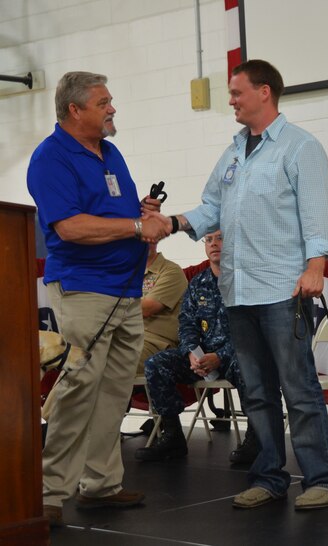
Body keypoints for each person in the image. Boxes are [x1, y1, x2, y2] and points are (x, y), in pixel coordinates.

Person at [146, 59, 328, 511]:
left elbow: (318, 214)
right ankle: (269, 476)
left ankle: (323, 479)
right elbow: (212, 205)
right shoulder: (235, 150)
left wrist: (317, 266)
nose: (231, 101)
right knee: (255, 391)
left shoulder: (299, 147)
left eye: (237, 93)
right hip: (239, 291)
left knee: (299, 388)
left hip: (282, 289)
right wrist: (171, 222)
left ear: (265, 93)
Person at [27, 71, 169, 527]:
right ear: (75, 110)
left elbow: (118, 215)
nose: (113, 109)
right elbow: (68, 227)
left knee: (112, 392)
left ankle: (101, 484)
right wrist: (133, 227)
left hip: (126, 290)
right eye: (104, 102)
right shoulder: (51, 158)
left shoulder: (111, 153)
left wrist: (140, 212)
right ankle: (49, 493)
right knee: (78, 390)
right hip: (85, 290)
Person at [134, 230, 260, 464]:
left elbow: (254, 331)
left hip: (237, 355)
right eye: (209, 240)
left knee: (249, 366)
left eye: (221, 238)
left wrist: (220, 356)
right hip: (202, 358)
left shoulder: (249, 281)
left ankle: (256, 438)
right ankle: (172, 435)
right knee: (157, 364)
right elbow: (186, 323)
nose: (214, 244)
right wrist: (192, 351)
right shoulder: (198, 282)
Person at [138, 242, 187, 374]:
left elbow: (147, 309)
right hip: (126, 337)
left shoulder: (171, 271)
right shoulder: (125, 272)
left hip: (156, 343)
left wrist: (109, 303)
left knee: (112, 360)